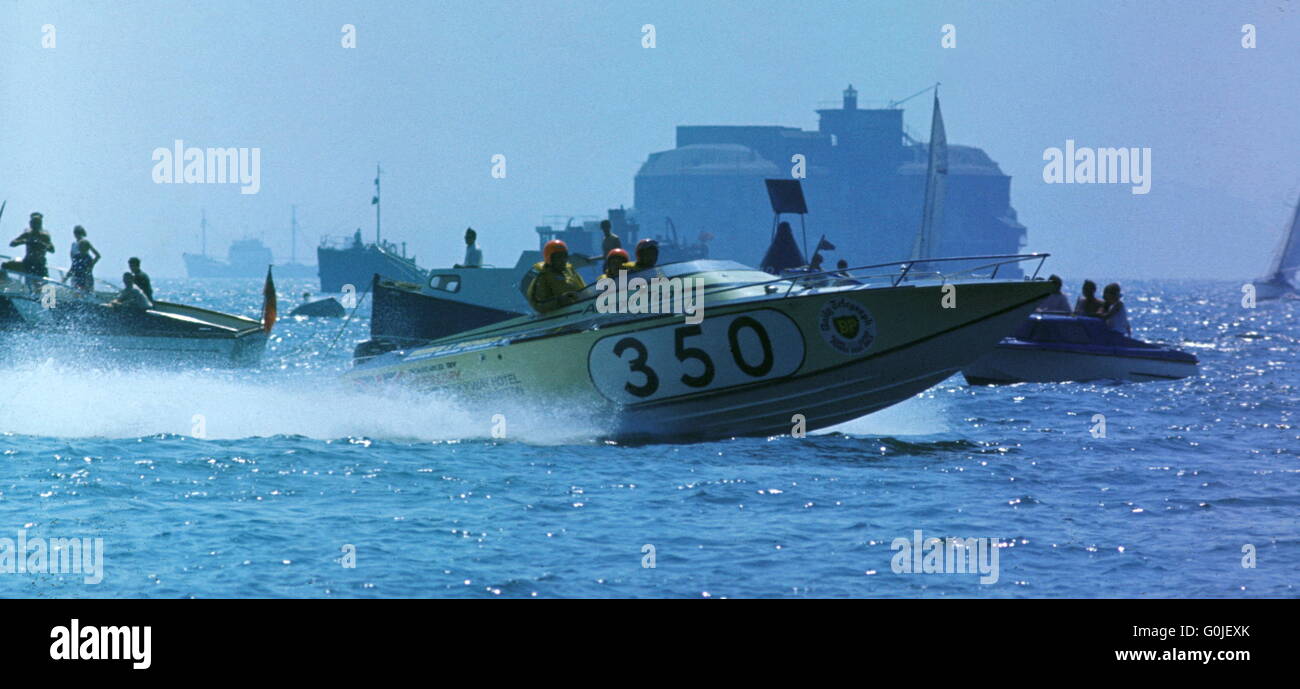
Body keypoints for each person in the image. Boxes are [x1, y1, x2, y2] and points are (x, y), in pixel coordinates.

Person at [526, 239, 586, 313]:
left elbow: (585, 291)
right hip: (557, 318)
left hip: (579, 312)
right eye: (558, 257)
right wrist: (559, 301)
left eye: (564, 256)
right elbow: (539, 304)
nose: (562, 260)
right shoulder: (543, 276)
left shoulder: (570, 272)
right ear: (549, 258)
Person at [5, 212, 55, 282]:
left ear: (40, 225)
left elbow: (52, 250)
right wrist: (25, 241)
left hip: (40, 266)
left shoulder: (44, 236)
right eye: (33, 223)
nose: (34, 225)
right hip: (27, 263)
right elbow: (12, 243)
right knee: (5, 265)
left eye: (36, 223)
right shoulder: (27, 234)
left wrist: (41, 244)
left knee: (41, 285)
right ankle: (6, 283)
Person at [68, 226, 102, 292]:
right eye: (75, 233)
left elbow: (97, 255)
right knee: (75, 290)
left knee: (86, 289)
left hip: (85, 269)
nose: (76, 235)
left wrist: (91, 265)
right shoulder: (74, 244)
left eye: (78, 233)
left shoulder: (85, 243)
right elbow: (72, 258)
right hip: (76, 270)